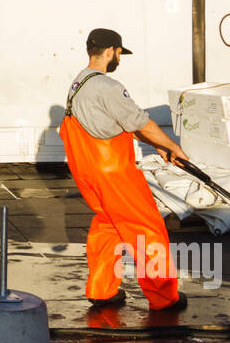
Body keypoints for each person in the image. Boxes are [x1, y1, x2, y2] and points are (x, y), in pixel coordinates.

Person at [59, 28, 188, 312]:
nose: (119, 58)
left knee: (109, 226)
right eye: (119, 53)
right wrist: (173, 147)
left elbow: (117, 124)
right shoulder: (109, 87)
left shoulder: (78, 83)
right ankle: (164, 297)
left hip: (87, 172)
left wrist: (157, 146)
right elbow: (141, 123)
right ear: (110, 51)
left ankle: (102, 290)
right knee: (147, 228)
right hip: (114, 173)